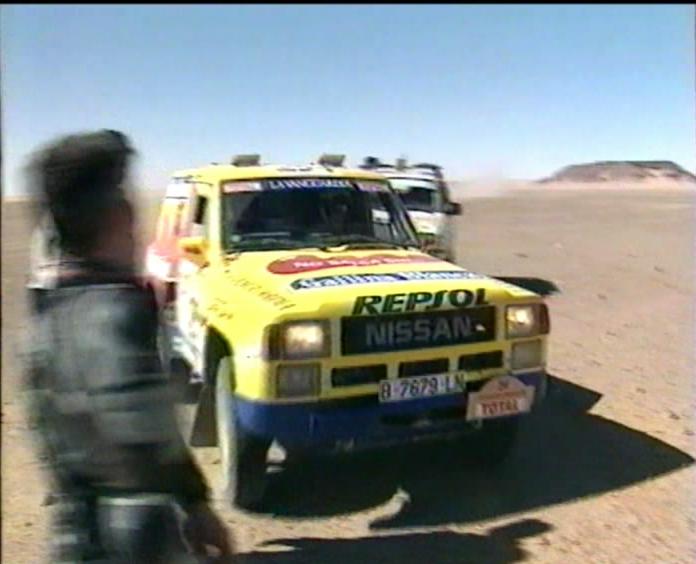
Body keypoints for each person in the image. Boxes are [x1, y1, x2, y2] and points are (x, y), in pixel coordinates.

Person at [22, 130, 233, 563]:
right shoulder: (112, 313)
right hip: (139, 536)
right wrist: (195, 503)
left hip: (74, 536)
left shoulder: (44, 318)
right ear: (115, 215)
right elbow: (146, 432)